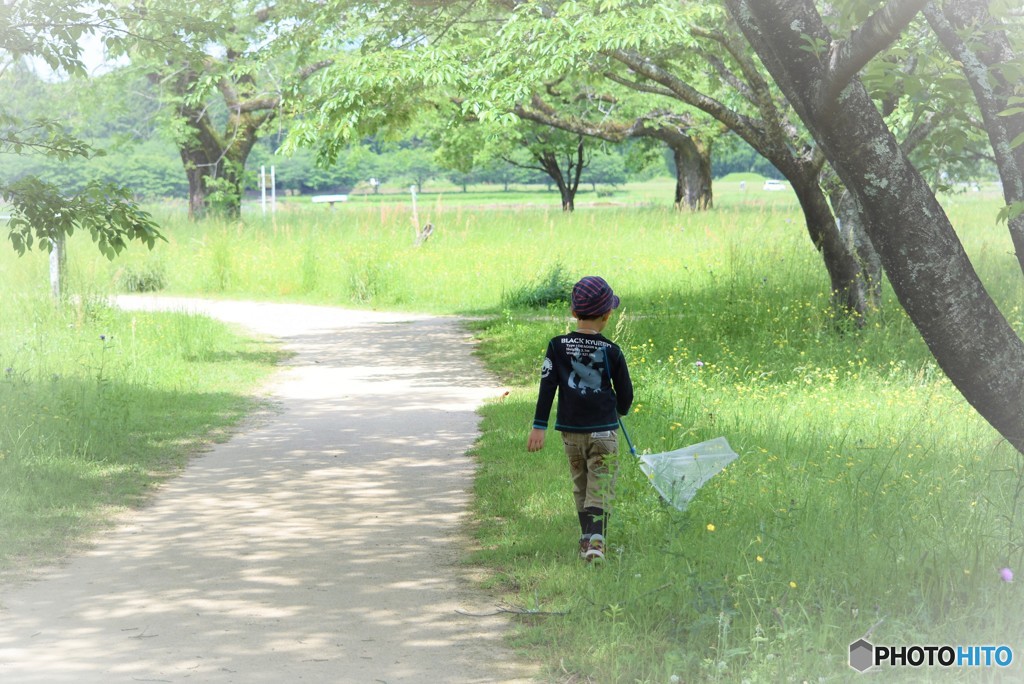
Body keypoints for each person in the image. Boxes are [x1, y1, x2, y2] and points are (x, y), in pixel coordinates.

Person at [527, 276, 633, 562]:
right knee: (601, 482)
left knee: (581, 483)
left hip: (571, 434)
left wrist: (539, 426)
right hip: (604, 433)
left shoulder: (557, 346)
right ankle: (597, 541)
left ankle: (587, 538)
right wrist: (619, 411)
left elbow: (547, 387)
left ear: (574, 312)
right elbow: (626, 395)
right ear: (607, 315)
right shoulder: (613, 351)